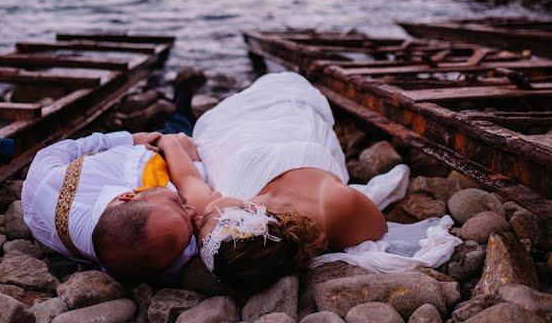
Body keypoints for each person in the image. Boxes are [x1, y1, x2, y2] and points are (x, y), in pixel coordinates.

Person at [159, 72, 388, 290]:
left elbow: (189, 179)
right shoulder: (337, 206)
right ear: (250, 207)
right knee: (286, 85)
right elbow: (378, 228)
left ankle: (185, 97)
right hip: (290, 113)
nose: (196, 220)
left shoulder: (221, 215)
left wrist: (169, 142)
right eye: (205, 220)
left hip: (232, 130)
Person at [20, 69, 206, 283]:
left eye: (177, 203)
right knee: (182, 122)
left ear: (127, 197)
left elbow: (55, 152)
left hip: (141, 145)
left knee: (164, 121)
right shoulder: (170, 252)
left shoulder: (46, 189)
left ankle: (161, 104)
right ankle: (179, 97)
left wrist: (126, 139)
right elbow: (193, 184)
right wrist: (190, 158)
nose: (191, 211)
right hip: (173, 154)